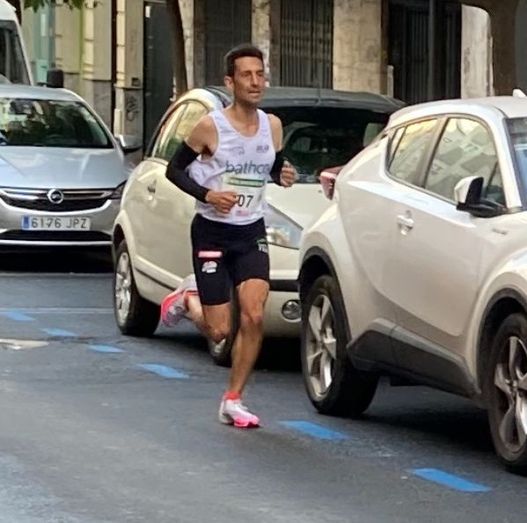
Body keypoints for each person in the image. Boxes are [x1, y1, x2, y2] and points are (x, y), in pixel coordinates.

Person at [164, 43, 296, 428]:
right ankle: (186, 299)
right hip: (211, 232)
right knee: (221, 330)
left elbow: (270, 168)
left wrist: (282, 175)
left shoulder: (272, 126)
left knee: (254, 316)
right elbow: (175, 170)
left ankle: (234, 399)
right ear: (230, 81)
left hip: (250, 230)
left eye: (260, 75)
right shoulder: (210, 126)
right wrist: (208, 194)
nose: (255, 82)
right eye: (246, 75)